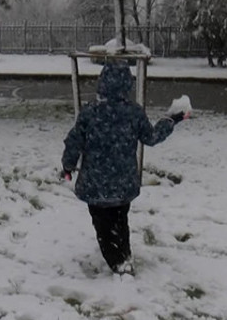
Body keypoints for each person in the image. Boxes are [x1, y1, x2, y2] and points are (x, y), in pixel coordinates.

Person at [61, 60, 188, 275]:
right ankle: (124, 254)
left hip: (95, 183)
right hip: (122, 183)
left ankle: (118, 263)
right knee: (120, 220)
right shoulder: (133, 113)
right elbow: (151, 137)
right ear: (126, 85)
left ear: (102, 83)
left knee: (103, 225)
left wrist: (68, 166)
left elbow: (74, 142)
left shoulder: (90, 113)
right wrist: (171, 120)